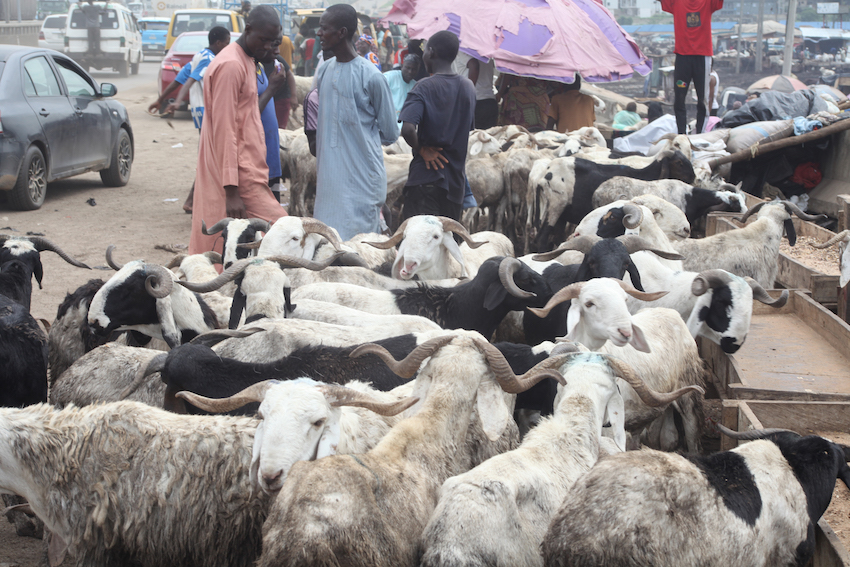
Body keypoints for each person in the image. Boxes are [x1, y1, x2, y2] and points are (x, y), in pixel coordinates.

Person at [190, 5, 287, 255]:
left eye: (272, 41)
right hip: (239, 176)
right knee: (287, 231)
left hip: (249, 169)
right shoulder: (231, 65)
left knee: (241, 242)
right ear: (248, 30)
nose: (267, 46)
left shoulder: (247, 60)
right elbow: (225, 130)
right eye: (263, 39)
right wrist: (231, 191)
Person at [313, 3, 398, 240]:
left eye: (323, 28)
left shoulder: (371, 77)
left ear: (341, 32)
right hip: (329, 181)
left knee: (361, 249)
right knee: (328, 244)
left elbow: (390, 133)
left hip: (362, 181)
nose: (319, 33)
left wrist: (359, 138)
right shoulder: (324, 71)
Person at [399, 30, 475, 222]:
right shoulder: (468, 87)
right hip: (455, 184)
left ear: (430, 52)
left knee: (421, 244)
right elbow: (467, 128)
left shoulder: (424, 86)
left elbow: (407, 129)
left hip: (426, 178)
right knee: (446, 245)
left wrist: (422, 149)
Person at [660, 0, 724, 134]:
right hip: (683, 57)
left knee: (703, 99)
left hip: (702, 57)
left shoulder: (707, 2)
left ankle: (700, 132)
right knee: (679, 98)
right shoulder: (677, 2)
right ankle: (681, 133)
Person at [259, 35, 298, 200]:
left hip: (279, 101)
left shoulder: (277, 62)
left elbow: (289, 75)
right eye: (273, 46)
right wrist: (271, 87)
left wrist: (293, 96)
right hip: (261, 143)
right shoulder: (254, 66)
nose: (276, 51)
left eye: (278, 47)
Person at [452, 52, 498, 129]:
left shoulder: (464, 51)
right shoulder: (487, 53)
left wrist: (467, 95)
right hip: (490, 101)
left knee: (471, 138)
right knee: (487, 138)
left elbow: (474, 65)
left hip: (475, 102)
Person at [384, 54, 421, 130]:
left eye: (414, 69)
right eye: (407, 68)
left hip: (403, 128)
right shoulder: (389, 77)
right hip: (386, 124)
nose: (410, 72)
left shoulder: (415, 86)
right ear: (402, 66)